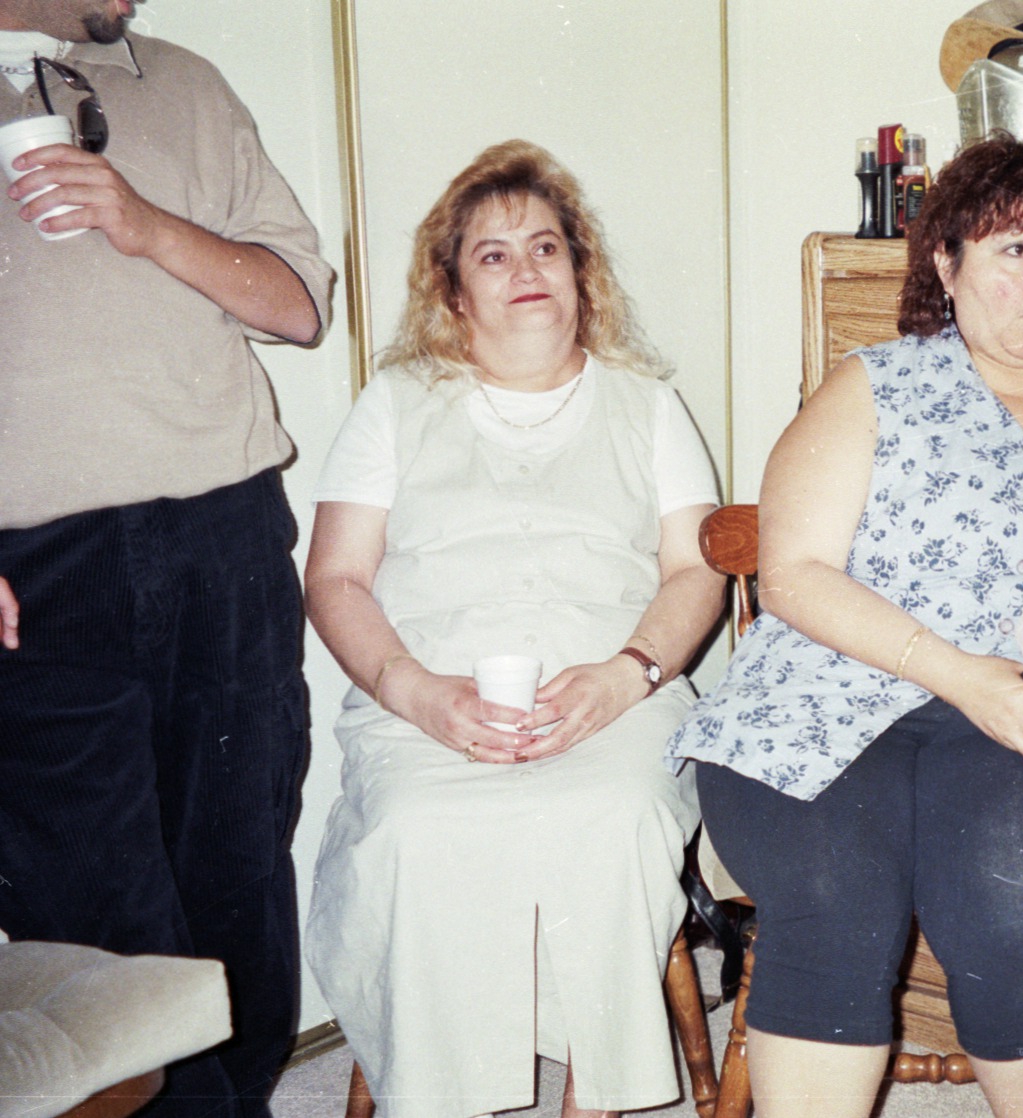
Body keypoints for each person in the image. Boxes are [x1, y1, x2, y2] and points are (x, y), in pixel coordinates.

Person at [669, 134, 1023, 1117]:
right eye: (1013, 248)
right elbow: (790, 574)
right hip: (820, 702)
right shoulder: (869, 387)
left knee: (1014, 890)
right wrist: (960, 673)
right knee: (835, 898)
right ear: (947, 262)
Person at [302, 140, 723, 1118]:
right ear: (452, 291)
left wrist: (628, 671)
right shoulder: (395, 406)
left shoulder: (647, 405)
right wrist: (419, 693)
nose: (526, 269)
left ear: (581, 272)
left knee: (615, 816)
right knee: (416, 830)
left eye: (546, 247)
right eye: (493, 255)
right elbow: (335, 577)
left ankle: (593, 1094)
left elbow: (695, 568)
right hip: (427, 703)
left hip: (619, 697)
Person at [0, 1, 332, 1112]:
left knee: (239, 871)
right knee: (93, 910)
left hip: (222, 532)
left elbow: (297, 306)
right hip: (34, 569)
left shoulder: (183, 83)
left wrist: (145, 224)